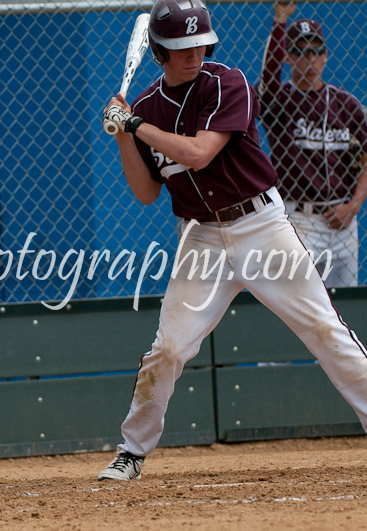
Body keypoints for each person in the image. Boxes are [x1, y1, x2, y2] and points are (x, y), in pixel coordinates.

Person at [97, 0, 367, 481]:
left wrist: (136, 126)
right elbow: (144, 193)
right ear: (158, 51)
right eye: (181, 47)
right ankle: (131, 452)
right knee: (169, 350)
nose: (194, 54)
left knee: (326, 330)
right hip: (201, 238)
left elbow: (199, 154)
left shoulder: (227, 82)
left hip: (262, 227)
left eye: (200, 43)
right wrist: (122, 135)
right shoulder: (144, 109)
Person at [258, 4, 367, 287]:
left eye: (316, 51)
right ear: (288, 58)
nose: (310, 59)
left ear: (326, 56)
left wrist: (354, 206)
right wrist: (280, 20)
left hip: (344, 220)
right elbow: (268, 82)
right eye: (300, 52)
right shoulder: (280, 100)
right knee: (303, 303)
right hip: (300, 219)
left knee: (346, 305)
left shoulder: (346, 104)